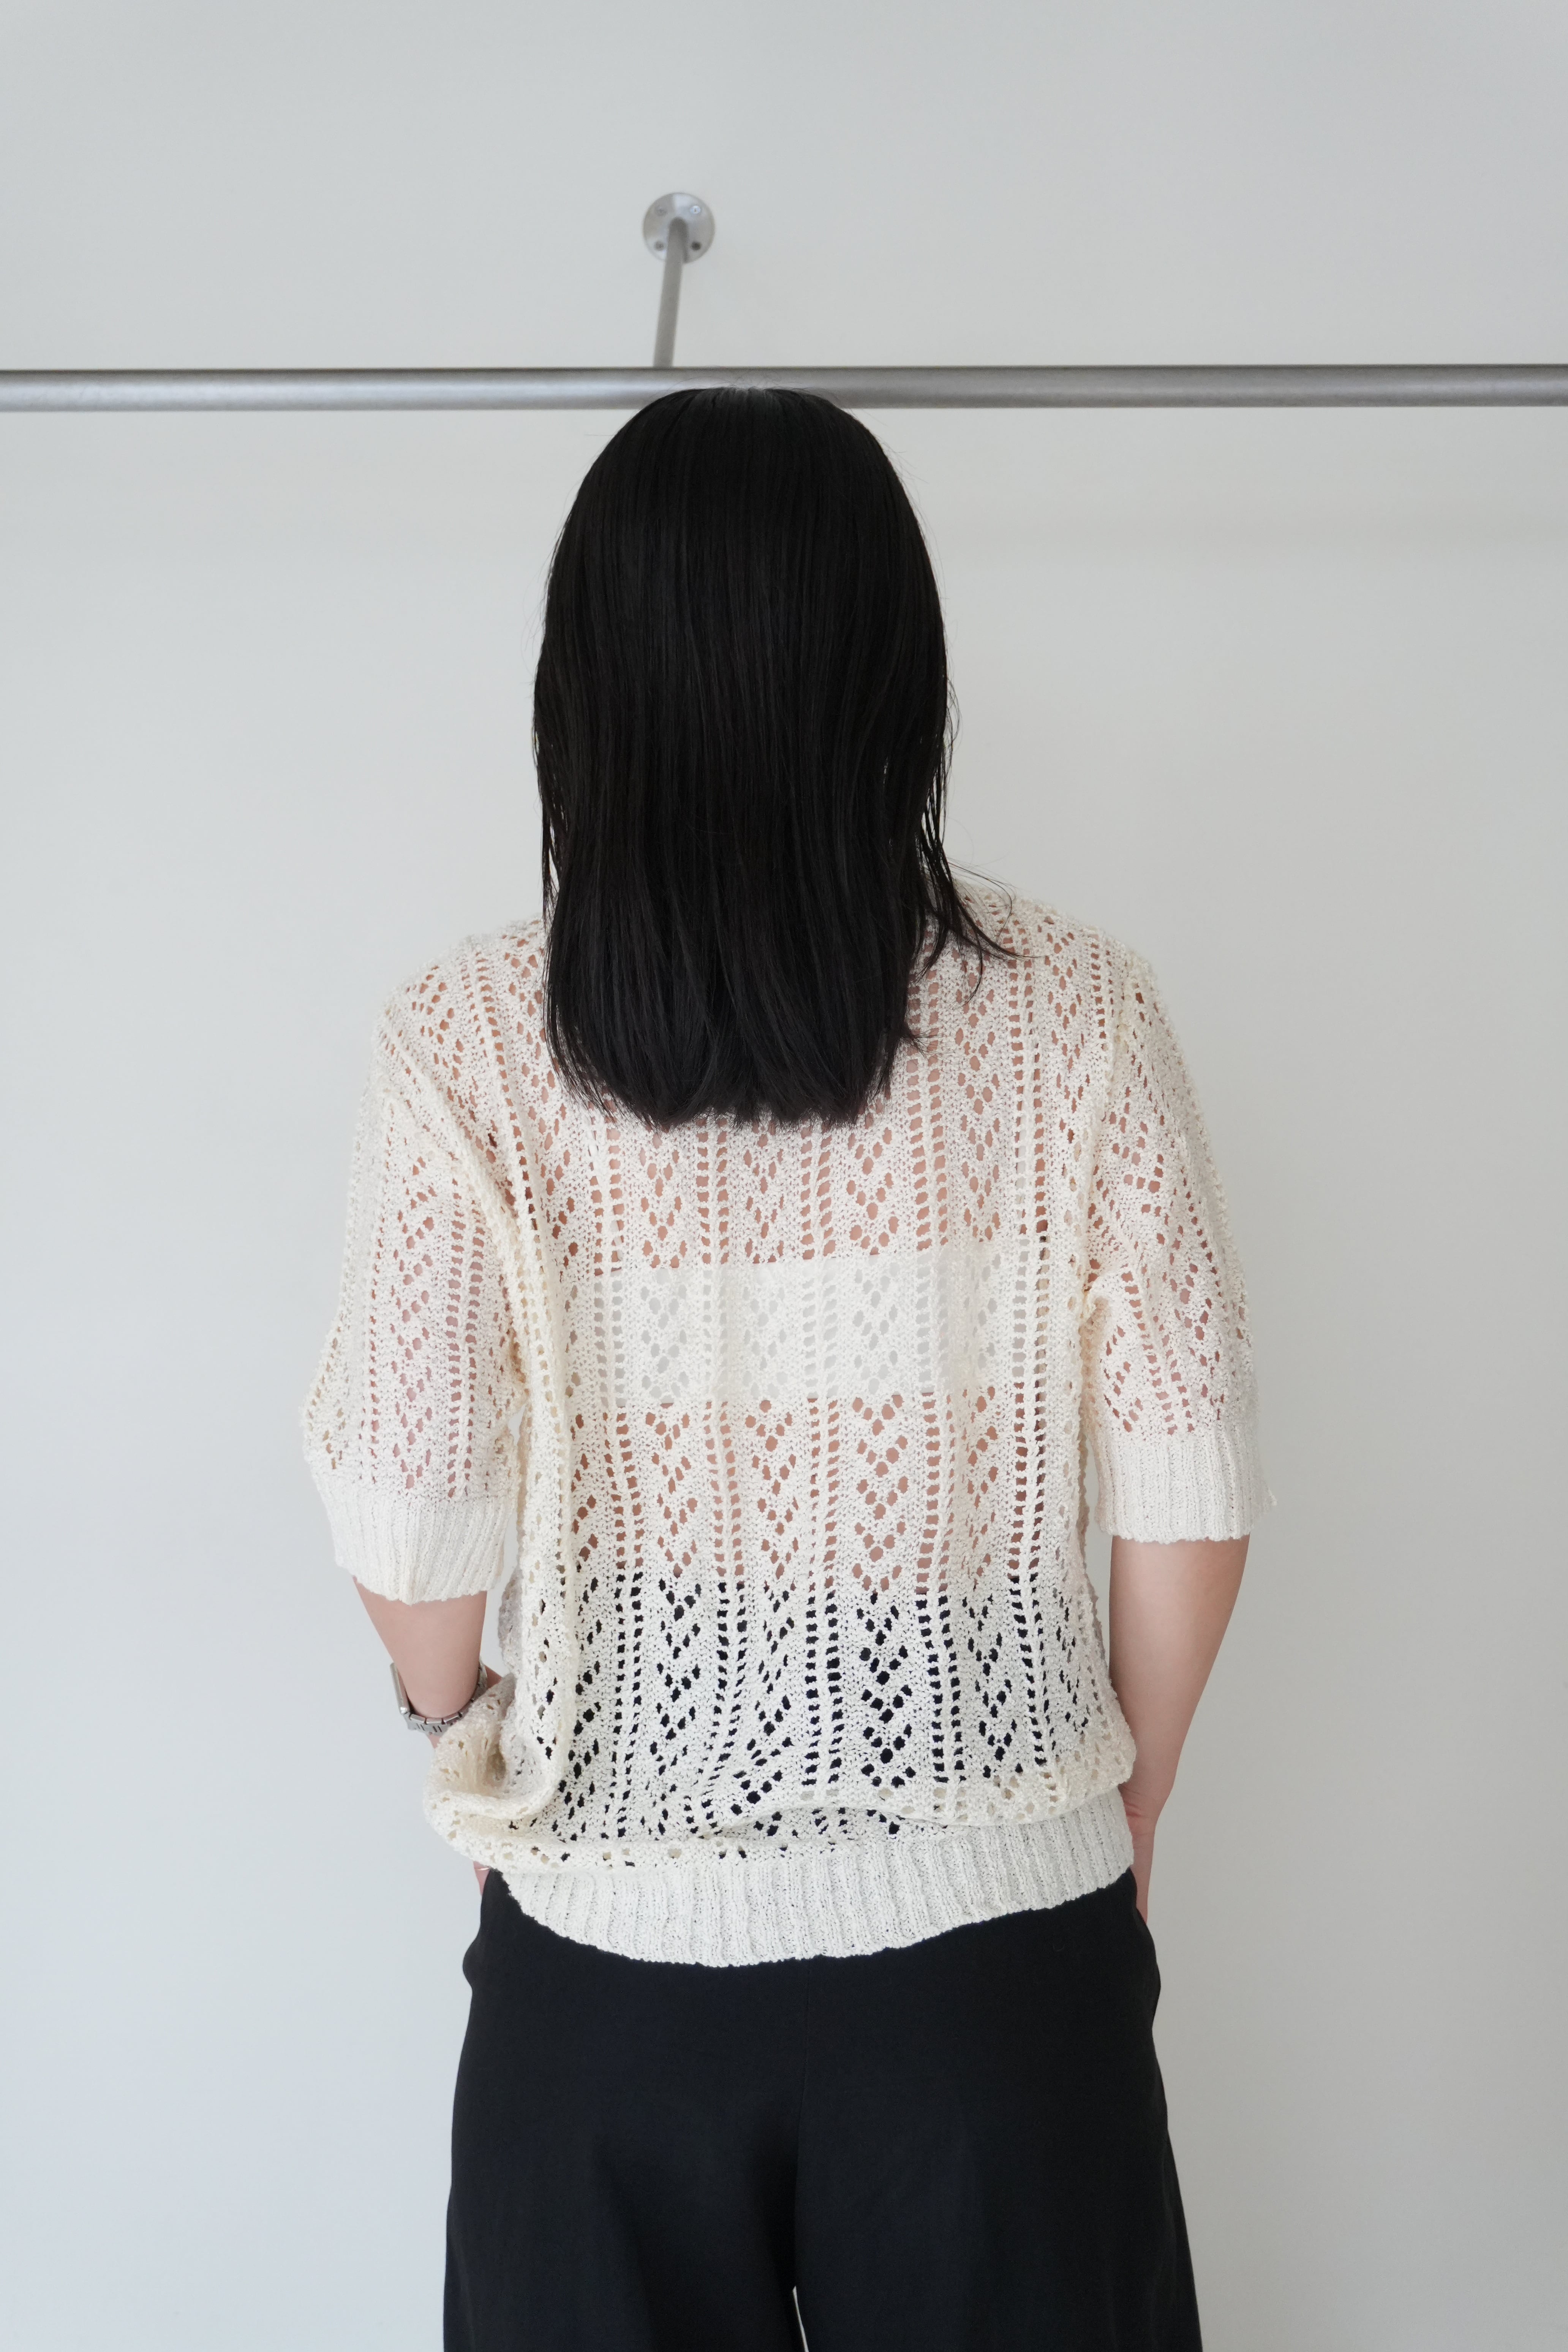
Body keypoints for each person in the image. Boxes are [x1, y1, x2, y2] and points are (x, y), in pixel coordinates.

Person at [303, 387, 1269, 2352]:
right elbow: (1193, 1478)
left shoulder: (465, 1043)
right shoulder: (1084, 1017)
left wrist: (459, 1727)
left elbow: (411, 1516)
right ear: (900, 680)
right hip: (1006, 1968)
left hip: (607, 1976)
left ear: (587, 695)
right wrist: (1122, 1805)